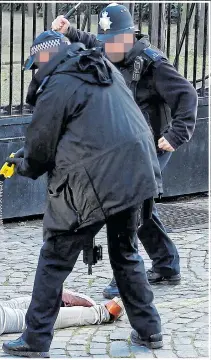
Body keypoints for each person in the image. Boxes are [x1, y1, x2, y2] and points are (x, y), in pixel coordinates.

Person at [0, 30, 164, 357]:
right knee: (125, 252)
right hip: (137, 169)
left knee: (54, 258)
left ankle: (34, 341)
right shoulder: (101, 66)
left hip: (95, 179)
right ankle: (149, 331)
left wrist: (23, 164)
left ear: (45, 58)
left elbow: (41, 146)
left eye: (35, 66)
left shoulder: (59, 83)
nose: (35, 74)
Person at [51, 3, 198, 299]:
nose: (109, 49)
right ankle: (167, 264)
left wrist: (177, 134)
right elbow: (94, 43)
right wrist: (70, 32)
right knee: (139, 206)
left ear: (129, 36)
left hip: (153, 143)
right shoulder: (110, 49)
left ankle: (126, 274)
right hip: (127, 145)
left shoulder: (154, 64)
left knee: (126, 203)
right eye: (107, 42)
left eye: (115, 42)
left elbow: (187, 95)